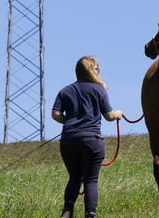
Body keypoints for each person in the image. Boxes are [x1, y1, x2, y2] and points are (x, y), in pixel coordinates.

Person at [52, 56, 122, 218]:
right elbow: (109, 116)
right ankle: (90, 215)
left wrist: (68, 121)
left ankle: (67, 211)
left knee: (75, 178)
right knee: (90, 181)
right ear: (92, 71)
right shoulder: (99, 90)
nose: (99, 72)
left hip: (68, 141)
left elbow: (55, 114)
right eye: (97, 69)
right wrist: (118, 114)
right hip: (92, 141)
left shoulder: (65, 90)